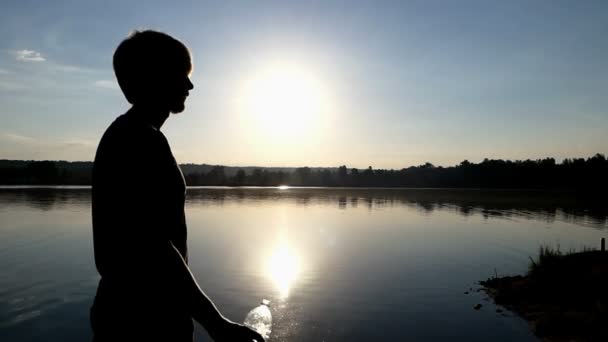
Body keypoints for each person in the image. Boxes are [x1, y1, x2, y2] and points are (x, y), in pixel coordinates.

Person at [90, 30, 264, 342]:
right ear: (154, 77)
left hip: (130, 311)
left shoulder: (128, 134)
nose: (190, 85)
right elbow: (155, 248)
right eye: (181, 75)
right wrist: (217, 324)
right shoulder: (140, 141)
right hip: (144, 320)